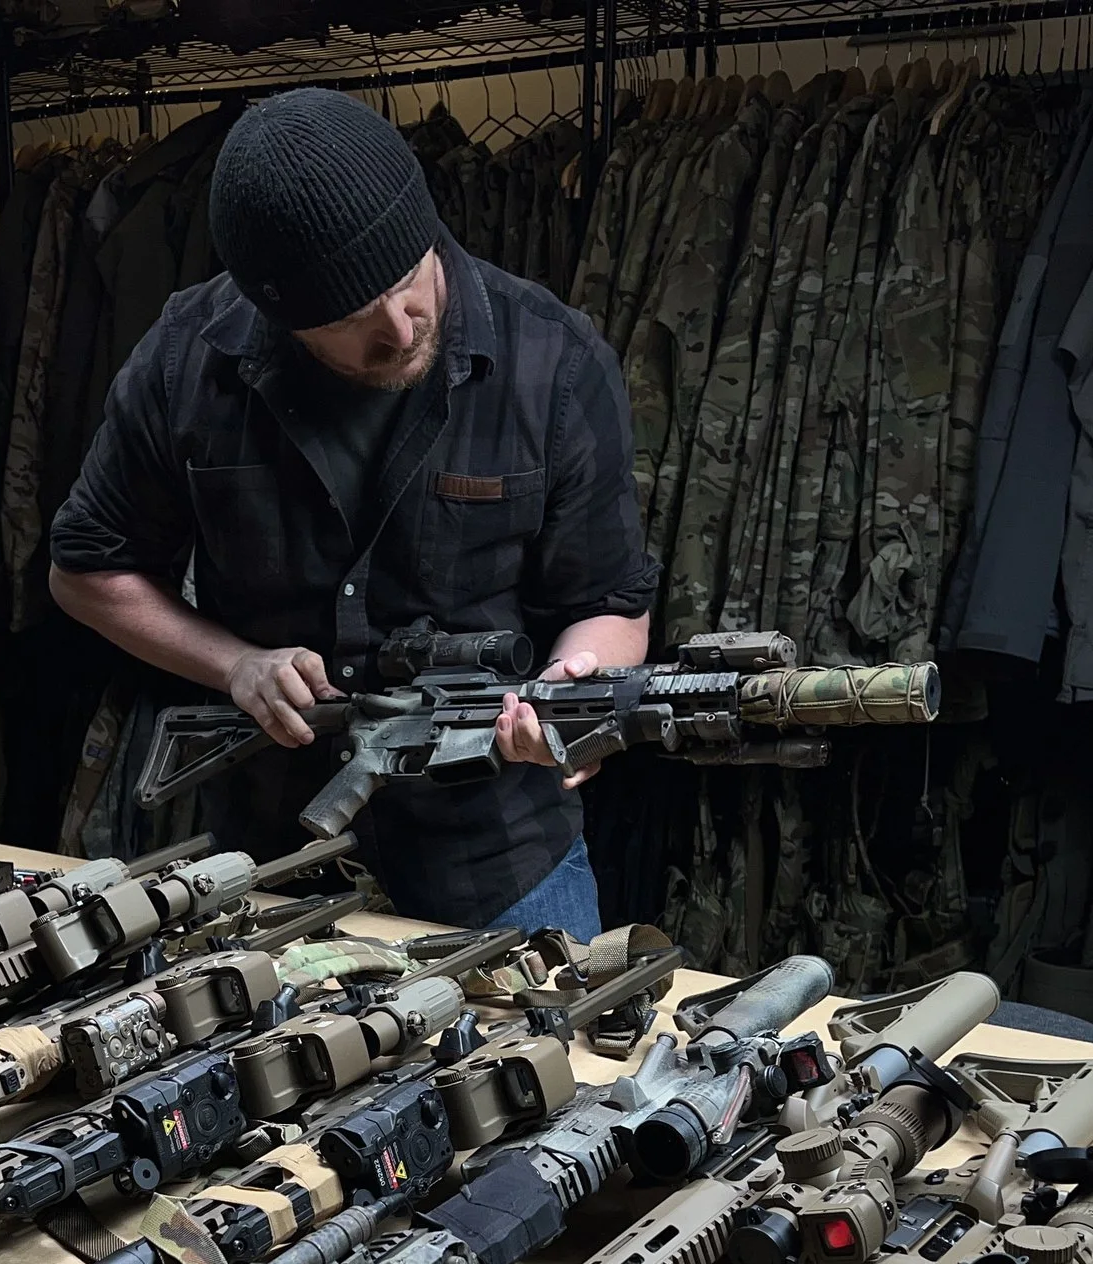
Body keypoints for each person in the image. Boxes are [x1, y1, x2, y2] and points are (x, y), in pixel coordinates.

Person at [47, 87, 658, 937]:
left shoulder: (553, 361)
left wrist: (573, 689)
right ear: (278, 316)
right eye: (351, 319)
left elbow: (614, 600)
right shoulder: (190, 361)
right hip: (269, 862)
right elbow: (85, 568)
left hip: (501, 867)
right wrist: (235, 665)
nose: (403, 330)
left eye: (409, 282)